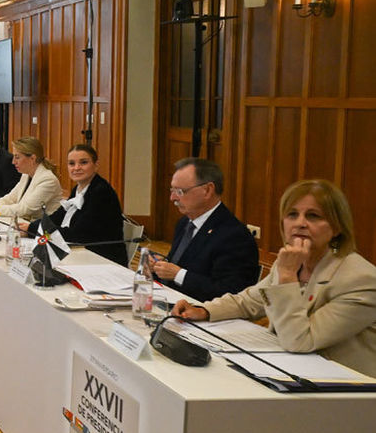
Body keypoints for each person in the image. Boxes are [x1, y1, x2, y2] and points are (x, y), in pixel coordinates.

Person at [174, 180, 376, 376]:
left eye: (313, 216)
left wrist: (287, 277)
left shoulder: (360, 279)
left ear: (337, 227)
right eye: (292, 215)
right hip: (293, 372)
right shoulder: (292, 262)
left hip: (348, 392)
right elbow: (249, 301)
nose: (300, 223)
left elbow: (300, 340)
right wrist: (203, 310)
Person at [149, 157, 260, 302]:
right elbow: (178, 267)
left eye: (180, 191)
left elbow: (230, 293)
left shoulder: (235, 236)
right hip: (171, 302)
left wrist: (178, 274)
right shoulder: (184, 223)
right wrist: (158, 268)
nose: (172, 198)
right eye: (172, 190)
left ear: (207, 190)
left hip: (206, 315)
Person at [27, 144, 127, 265]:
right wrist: (31, 227)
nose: (77, 168)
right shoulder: (78, 189)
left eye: (83, 162)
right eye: (71, 163)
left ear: (96, 166)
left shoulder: (101, 193)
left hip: (101, 259)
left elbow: (77, 235)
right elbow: (57, 217)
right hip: (79, 251)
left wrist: (33, 229)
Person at [0, 138, 63, 221]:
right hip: (25, 224)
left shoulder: (48, 180)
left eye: (17, 157)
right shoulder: (26, 175)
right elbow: (10, 199)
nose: (13, 162)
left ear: (32, 158)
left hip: (41, 230)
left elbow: (24, 210)